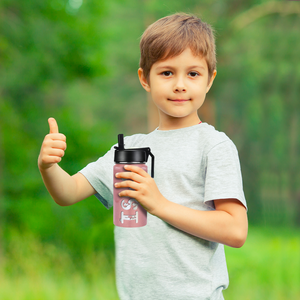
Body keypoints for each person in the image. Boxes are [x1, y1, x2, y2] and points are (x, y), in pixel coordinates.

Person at [38, 13, 248, 300]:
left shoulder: (213, 146)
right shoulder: (126, 152)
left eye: (193, 73)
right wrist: (48, 166)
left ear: (209, 80)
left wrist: (159, 204)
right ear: (144, 78)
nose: (180, 85)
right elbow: (68, 192)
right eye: (166, 72)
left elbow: (235, 230)